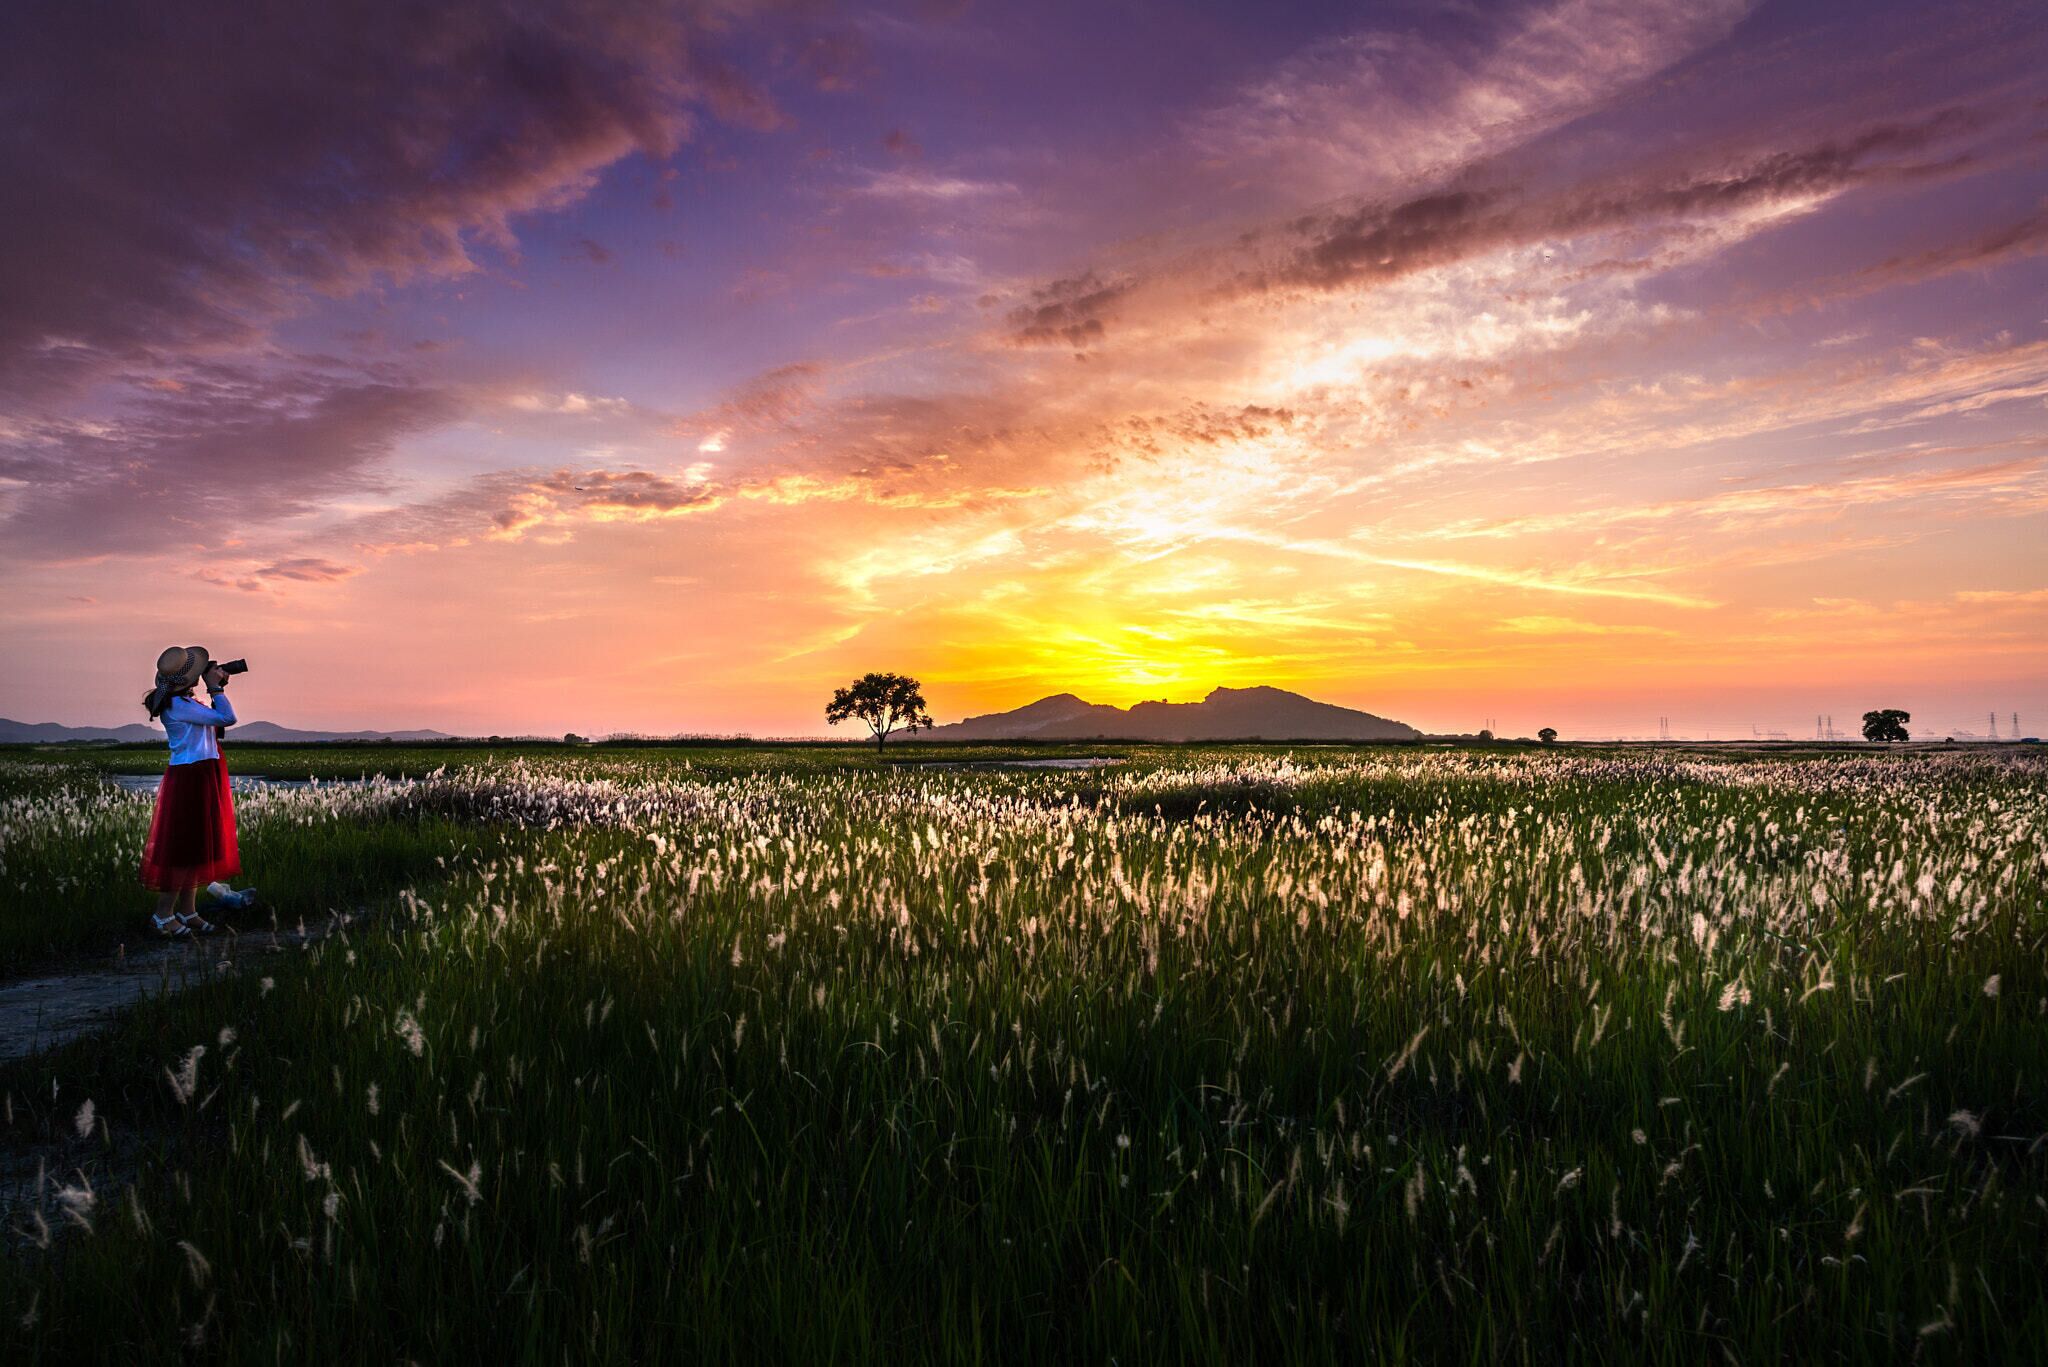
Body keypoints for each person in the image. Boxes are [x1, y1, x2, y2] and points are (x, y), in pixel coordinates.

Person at [137, 646, 240, 936]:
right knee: (183, 849)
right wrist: (216, 690)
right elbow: (227, 718)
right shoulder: (179, 706)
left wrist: (214, 690)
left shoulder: (184, 702)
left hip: (202, 774)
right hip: (190, 777)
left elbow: (216, 724)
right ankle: (163, 914)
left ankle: (187, 910)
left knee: (196, 848)